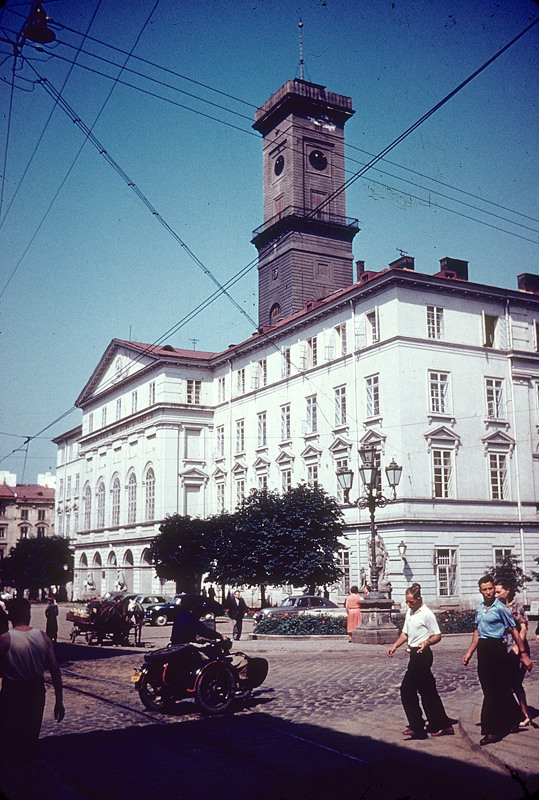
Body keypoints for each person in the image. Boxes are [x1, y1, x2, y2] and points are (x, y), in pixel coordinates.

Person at [462, 574, 532, 745]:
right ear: (480, 591)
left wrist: (523, 655)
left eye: (490, 588)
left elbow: (514, 630)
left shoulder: (501, 608)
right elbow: (477, 632)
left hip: (497, 650)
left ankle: (492, 730)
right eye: (484, 589)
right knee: (491, 688)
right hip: (484, 651)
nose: (488, 592)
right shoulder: (479, 609)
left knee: (492, 691)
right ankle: (515, 717)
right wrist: (469, 652)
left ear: (494, 589)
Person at [0, 598, 65, 769]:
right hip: (36, 693)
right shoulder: (42, 637)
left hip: (13, 694)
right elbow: (54, 670)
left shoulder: (5, 640)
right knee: (31, 735)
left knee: (11, 736)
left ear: (10, 616)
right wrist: (59, 701)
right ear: (28, 614)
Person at [387, 583, 454, 740]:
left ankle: (417, 726)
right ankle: (444, 725)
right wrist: (395, 645)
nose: (408, 604)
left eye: (410, 601)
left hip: (423, 655)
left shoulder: (426, 613)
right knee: (428, 691)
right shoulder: (411, 611)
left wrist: (427, 642)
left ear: (419, 599)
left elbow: (437, 635)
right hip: (414, 654)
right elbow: (405, 633)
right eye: (407, 601)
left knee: (407, 689)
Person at [495, 580, 531, 727]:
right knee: (505, 683)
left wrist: (518, 646)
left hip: (518, 648)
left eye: (499, 591)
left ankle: (525, 714)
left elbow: (523, 628)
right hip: (504, 649)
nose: (496, 595)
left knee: (516, 683)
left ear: (508, 590)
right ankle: (511, 713)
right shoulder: (499, 607)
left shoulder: (516, 607)